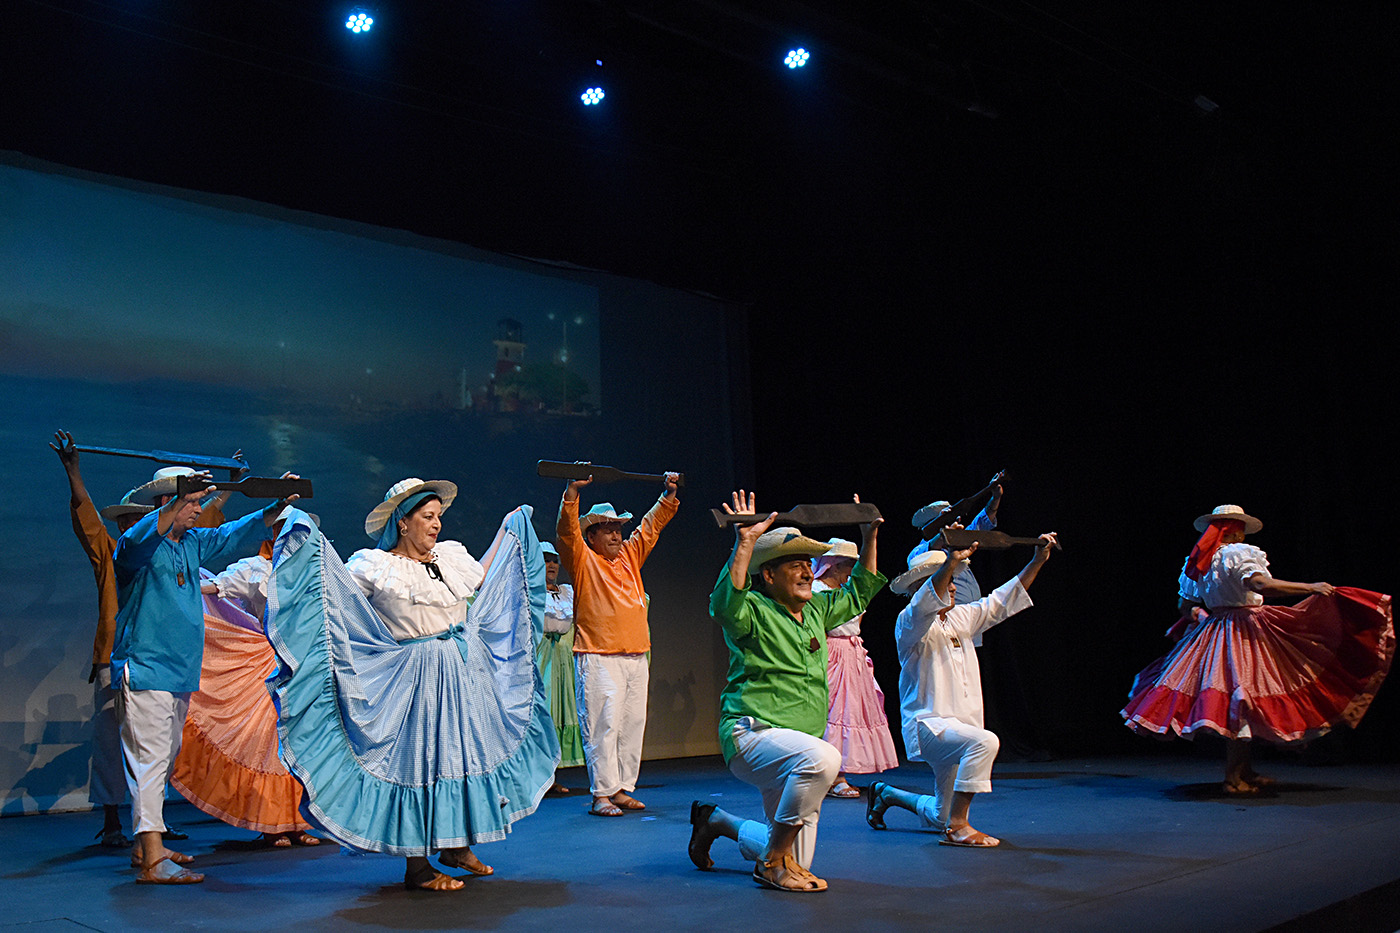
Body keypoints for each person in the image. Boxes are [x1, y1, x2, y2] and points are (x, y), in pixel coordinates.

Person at [265, 478, 558, 892]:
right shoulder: (376, 566)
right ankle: (417, 868)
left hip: (460, 672)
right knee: (419, 764)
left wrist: (509, 533)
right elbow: (335, 597)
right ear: (403, 523)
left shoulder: (450, 557)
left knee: (461, 758)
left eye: (439, 517)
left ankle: (457, 845)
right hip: (415, 678)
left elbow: (483, 579)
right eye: (428, 517)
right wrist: (306, 548)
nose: (436, 525)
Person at [1122, 504, 1394, 795]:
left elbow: (1185, 607)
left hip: (1217, 629)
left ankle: (1245, 771)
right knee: (1242, 699)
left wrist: (1205, 616)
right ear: (1234, 530)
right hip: (1244, 631)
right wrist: (1309, 586)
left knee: (1240, 700)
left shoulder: (1198, 562)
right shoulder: (1238, 553)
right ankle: (1232, 778)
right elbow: (1261, 584)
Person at [688, 491, 884, 893]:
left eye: (808, 564)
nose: (807, 572)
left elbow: (860, 591)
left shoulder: (816, 610)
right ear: (770, 575)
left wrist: (869, 539)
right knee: (825, 759)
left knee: (802, 857)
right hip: (752, 734)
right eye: (795, 565)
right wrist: (744, 543)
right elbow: (724, 604)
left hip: (798, 745)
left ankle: (717, 822)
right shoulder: (753, 610)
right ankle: (771, 862)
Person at [112, 467, 296, 884]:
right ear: (167, 504)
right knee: (150, 761)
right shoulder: (136, 545)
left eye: (197, 502)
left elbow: (233, 532)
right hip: (146, 667)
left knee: (161, 760)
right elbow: (138, 540)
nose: (198, 510)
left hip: (178, 671)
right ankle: (154, 859)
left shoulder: (191, 544)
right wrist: (181, 495)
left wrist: (277, 503)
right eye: (191, 503)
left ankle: (147, 848)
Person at [867, 525, 1057, 848]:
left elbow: (1002, 600)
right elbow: (925, 603)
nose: (953, 587)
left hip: (958, 728)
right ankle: (959, 827)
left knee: (938, 813)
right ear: (921, 587)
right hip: (930, 726)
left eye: (953, 579)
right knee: (985, 743)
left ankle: (888, 794)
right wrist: (950, 562)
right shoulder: (908, 622)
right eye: (947, 578)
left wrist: (1037, 561)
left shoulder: (961, 618)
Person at [175, 509, 321, 847]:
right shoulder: (257, 570)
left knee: (301, 743)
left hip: (304, 666)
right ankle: (272, 826)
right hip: (266, 662)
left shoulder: (314, 572)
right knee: (267, 745)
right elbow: (211, 588)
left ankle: (297, 822)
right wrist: (173, 586)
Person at [556, 469, 679, 817]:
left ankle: (623, 788)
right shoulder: (582, 560)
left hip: (635, 655)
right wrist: (572, 494)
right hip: (599, 655)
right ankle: (602, 794)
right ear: (591, 535)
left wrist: (668, 496)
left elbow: (650, 528)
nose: (615, 535)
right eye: (608, 529)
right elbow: (566, 534)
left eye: (618, 529)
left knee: (630, 725)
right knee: (603, 725)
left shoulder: (628, 557)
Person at [50, 431, 152, 849]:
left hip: (150, 658)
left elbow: (204, 523)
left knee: (154, 742)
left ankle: (154, 823)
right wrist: (74, 471)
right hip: (114, 656)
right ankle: (112, 820)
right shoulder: (109, 554)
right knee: (111, 740)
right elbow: (87, 518)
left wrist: (222, 495)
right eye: (125, 520)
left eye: (136, 520)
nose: (130, 525)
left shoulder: (159, 555)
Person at [812, 536, 898, 798]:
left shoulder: (846, 590)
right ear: (834, 565)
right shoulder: (817, 590)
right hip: (830, 651)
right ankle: (831, 775)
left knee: (848, 712)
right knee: (832, 713)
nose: (852, 572)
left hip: (851, 652)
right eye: (848, 565)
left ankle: (840, 772)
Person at [538, 541, 585, 793]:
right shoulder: (531, 590)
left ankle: (552, 778)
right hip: (541, 655)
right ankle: (538, 779)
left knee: (561, 711)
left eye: (555, 559)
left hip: (563, 658)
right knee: (542, 712)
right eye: (546, 559)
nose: (552, 564)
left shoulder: (566, 591)